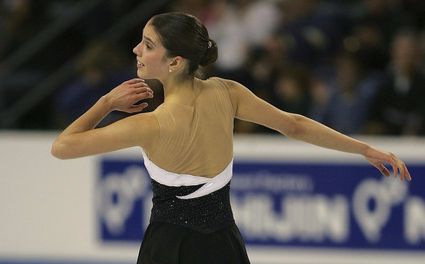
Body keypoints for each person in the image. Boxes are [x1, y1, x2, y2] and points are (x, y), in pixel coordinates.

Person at [51, 12, 412, 264]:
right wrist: (364, 148)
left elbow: (62, 147)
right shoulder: (227, 92)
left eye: (147, 45)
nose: (136, 50)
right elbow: (296, 125)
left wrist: (106, 103)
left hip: (168, 246)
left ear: (175, 62)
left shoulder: (150, 125)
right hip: (224, 243)